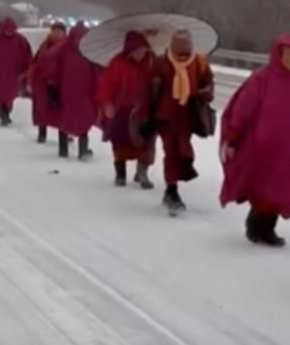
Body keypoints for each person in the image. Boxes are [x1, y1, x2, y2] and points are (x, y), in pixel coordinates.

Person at [218, 34, 290, 247]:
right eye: (289, 53)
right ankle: (256, 224)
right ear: (278, 55)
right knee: (262, 186)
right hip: (262, 147)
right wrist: (234, 136)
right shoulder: (261, 78)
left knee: (282, 189)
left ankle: (269, 227)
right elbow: (243, 109)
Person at [148, 29, 214, 215]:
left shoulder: (199, 62)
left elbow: (208, 83)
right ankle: (172, 190)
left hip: (188, 115)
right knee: (171, 151)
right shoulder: (161, 63)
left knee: (183, 151)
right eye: (180, 53)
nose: (183, 57)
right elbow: (149, 91)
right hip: (166, 116)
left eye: (186, 53)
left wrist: (206, 93)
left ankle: (174, 184)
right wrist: (146, 114)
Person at [96, 31, 157, 189]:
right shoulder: (118, 63)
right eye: (135, 50)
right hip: (123, 110)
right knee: (120, 143)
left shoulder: (152, 62)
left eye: (142, 49)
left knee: (147, 143)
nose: (139, 53)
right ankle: (120, 172)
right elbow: (107, 85)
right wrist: (107, 103)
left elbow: (161, 82)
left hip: (146, 109)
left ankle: (142, 172)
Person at [36, 21, 99, 159]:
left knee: (64, 119)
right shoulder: (90, 52)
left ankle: (63, 149)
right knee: (83, 120)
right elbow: (97, 72)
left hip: (67, 92)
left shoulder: (62, 49)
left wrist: (52, 85)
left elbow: (52, 67)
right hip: (83, 93)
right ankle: (82, 150)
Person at [0, 18, 33, 127]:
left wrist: (26, 69)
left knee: (8, 94)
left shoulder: (18, 39)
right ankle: (4, 113)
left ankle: (5, 112)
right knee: (4, 94)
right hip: (0, 72)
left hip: (12, 72)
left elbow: (27, 55)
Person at [25, 21, 68, 145]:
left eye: (60, 32)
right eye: (55, 31)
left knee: (62, 110)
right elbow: (35, 63)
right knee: (42, 109)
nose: (57, 34)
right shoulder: (45, 46)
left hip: (61, 83)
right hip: (42, 83)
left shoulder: (68, 47)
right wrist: (30, 79)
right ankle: (42, 133)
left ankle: (65, 133)